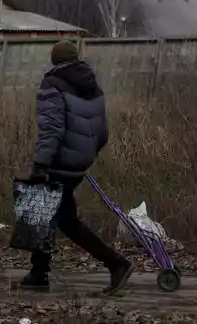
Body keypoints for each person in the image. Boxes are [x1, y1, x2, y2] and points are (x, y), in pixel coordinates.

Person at [19, 40, 134, 295]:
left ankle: (116, 264)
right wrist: (86, 155)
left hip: (58, 163)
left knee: (52, 215)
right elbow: (103, 133)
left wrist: (40, 164)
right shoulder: (93, 86)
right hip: (78, 164)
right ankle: (38, 274)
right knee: (54, 216)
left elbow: (51, 129)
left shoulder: (52, 84)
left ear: (54, 59)